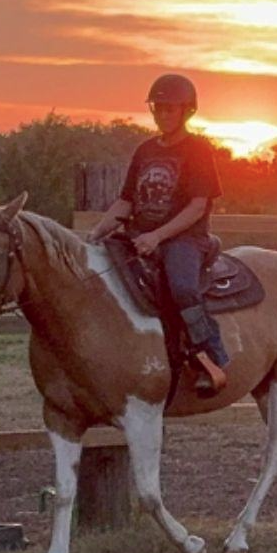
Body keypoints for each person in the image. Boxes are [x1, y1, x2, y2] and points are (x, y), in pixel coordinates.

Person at [88, 73, 229, 395]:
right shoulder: (145, 150)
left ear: (186, 111)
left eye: (170, 109)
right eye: (158, 108)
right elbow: (125, 200)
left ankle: (210, 355)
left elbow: (198, 206)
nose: (163, 114)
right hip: (139, 234)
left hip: (185, 238)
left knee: (181, 286)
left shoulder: (198, 150)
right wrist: (96, 232)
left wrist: (158, 237)